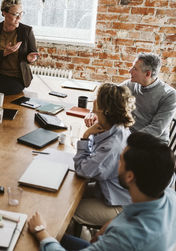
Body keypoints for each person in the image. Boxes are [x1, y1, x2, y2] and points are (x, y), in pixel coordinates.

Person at [28, 132, 176, 251]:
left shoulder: (126, 237)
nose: (117, 163)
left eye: (121, 160)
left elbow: (125, 238)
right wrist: (110, 225)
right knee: (59, 236)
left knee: (40, 236)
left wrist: (41, 232)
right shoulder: (169, 197)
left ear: (130, 176)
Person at [73, 83, 135, 227]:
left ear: (104, 109)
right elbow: (93, 160)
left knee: (68, 211)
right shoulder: (115, 127)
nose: (93, 100)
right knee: (66, 196)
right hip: (108, 190)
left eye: (96, 98)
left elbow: (83, 170)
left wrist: (85, 136)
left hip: (120, 203)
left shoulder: (113, 145)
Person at [85, 52, 176, 143]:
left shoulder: (169, 95)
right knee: (96, 142)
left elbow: (156, 129)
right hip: (128, 135)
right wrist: (92, 112)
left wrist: (123, 137)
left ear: (148, 74)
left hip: (152, 143)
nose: (130, 71)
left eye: (135, 69)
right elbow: (107, 96)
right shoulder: (131, 84)